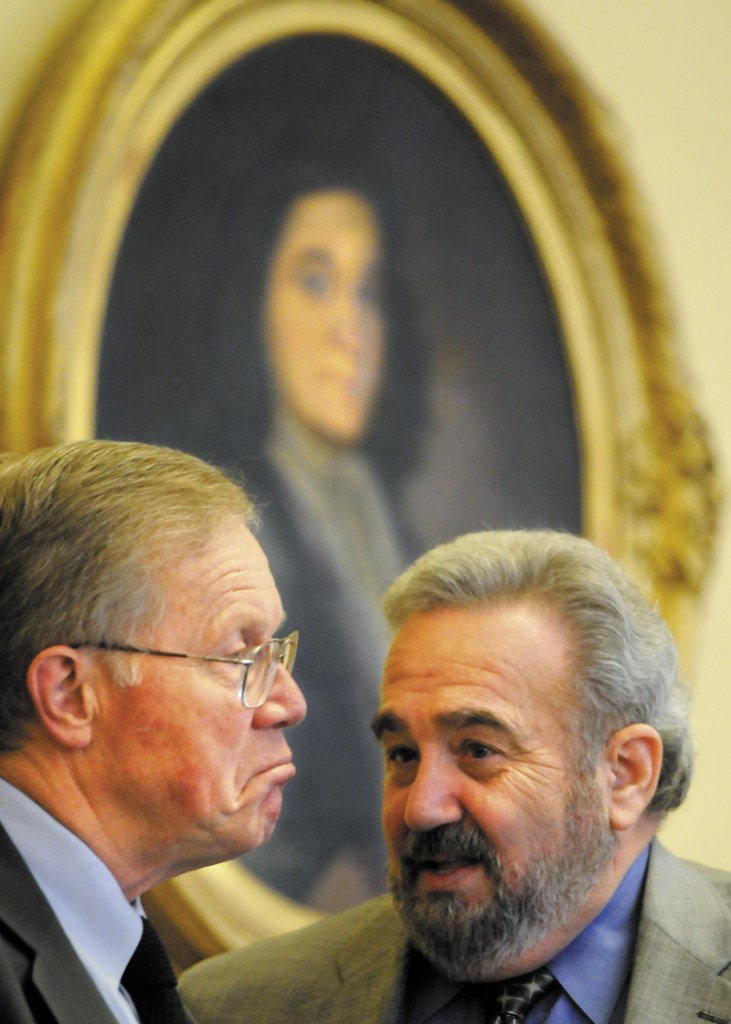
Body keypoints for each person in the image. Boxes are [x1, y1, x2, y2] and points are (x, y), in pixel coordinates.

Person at [180, 529, 731, 1023]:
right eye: (402, 755)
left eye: (477, 750)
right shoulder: (236, 1006)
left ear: (626, 775)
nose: (422, 808)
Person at [0, 439, 306, 1023]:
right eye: (239, 656)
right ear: (70, 696)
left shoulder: (121, 956)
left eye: (277, 655)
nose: (289, 704)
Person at [195, 166, 428, 909]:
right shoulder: (224, 527)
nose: (348, 329)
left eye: (367, 292)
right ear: (252, 306)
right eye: (314, 282)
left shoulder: (387, 515)